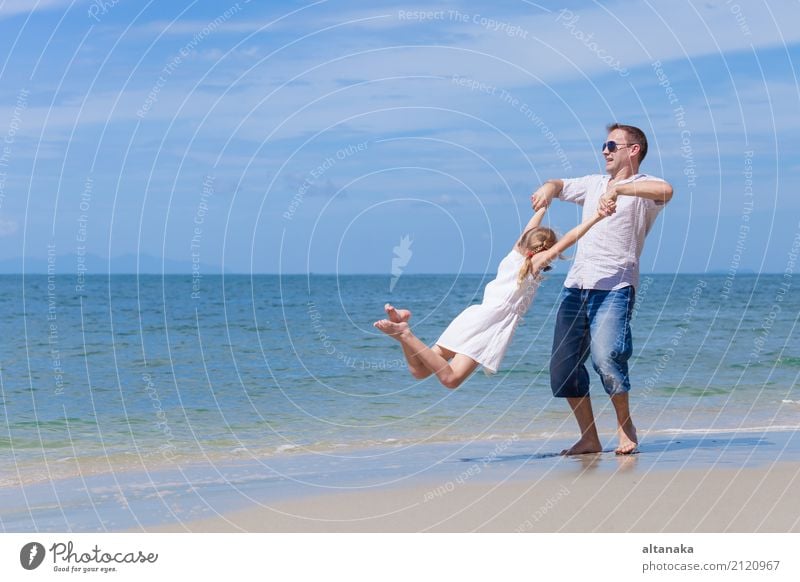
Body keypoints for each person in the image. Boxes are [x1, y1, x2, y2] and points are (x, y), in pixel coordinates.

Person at [531, 123, 674, 456]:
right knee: (562, 371)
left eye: (612, 145)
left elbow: (667, 190)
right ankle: (590, 437)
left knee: (607, 358)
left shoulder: (643, 188)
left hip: (615, 288)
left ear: (633, 150)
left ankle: (626, 429)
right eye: (604, 145)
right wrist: (548, 187)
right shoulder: (594, 183)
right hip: (575, 288)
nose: (605, 151)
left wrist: (620, 191)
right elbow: (559, 184)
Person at [373, 206, 604, 389]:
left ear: (524, 243)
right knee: (451, 379)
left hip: (474, 315)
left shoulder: (513, 257)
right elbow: (569, 239)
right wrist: (596, 217)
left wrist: (542, 208)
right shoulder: (532, 266)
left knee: (419, 371)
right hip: (488, 325)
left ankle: (402, 332)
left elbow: (528, 230)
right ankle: (405, 333)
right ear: (545, 252)